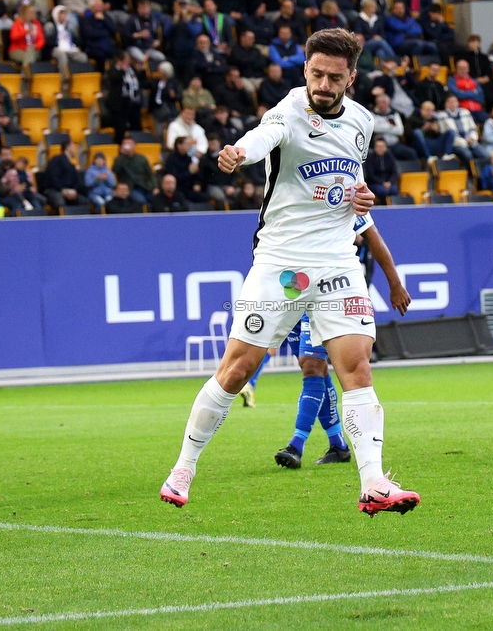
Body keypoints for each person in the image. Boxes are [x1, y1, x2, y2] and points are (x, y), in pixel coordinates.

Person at [159, 28, 420, 517]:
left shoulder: (362, 122)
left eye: (334, 77)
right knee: (236, 370)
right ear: (305, 71)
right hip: (281, 263)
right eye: (316, 73)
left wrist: (359, 196)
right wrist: (238, 153)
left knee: (357, 370)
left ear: (351, 77)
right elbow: (262, 138)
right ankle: (183, 467)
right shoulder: (286, 111)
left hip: (339, 261)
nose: (323, 83)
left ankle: (373, 483)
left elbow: (350, 181)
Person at [274, 213, 411, 468]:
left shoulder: (343, 195)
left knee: (311, 364)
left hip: (330, 294)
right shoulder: (287, 200)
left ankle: (297, 444)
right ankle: (337, 443)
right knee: (313, 368)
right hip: (294, 291)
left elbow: (371, 236)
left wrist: (395, 283)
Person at [112, 136, 156, 204]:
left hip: (144, 186)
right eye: (125, 144)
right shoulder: (119, 160)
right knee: (141, 201)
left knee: (157, 199)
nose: (128, 146)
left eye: (130, 144)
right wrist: (123, 155)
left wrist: (155, 187)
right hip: (130, 189)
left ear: (135, 146)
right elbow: (114, 170)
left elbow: (150, 174)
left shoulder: (141, 158)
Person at [8, 3, 45, 69]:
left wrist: (35, 46)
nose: (34, 13)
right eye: (31, 12)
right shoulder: (17, 23)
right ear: (25, 13)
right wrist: (26, 32)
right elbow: (13, 37)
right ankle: (27, 74)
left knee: (30, 52)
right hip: (18, 50)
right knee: (29, 55)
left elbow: (41, 40)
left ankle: (24, 75)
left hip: (34, 50)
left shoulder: (37, 24)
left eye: (34, 12)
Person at [364, 136, 399, 203]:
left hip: (389, 182)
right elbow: (370, 175)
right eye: (378, 146)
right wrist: (382, 183)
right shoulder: (370, 158)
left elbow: (394, 171)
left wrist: (390, 182)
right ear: (374, 147)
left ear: (386, 147)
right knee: (382, 191)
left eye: (382, 146)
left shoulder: (390, 156)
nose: (380, 149)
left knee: (394, 190)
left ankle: (394, 207)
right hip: (375, 183)